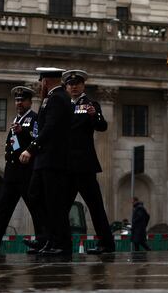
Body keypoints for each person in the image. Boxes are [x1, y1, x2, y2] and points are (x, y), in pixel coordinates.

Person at [0, 85, 46, 255]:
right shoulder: (16, 120)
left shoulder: (34, 118)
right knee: (2, 207)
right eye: (17, 100)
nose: (19, 103)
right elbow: (14, 144)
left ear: (29, 102)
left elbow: (37, 139)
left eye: (22, 100)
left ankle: (42, 240)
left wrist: (22, 132)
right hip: (12, 171)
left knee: (35, 207)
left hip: (26, 171)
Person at [19, 67, 74, 259]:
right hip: (45, 159)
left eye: (41, 81)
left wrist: (31, 148)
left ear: (45, 81)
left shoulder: (58, 98)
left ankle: (62, 243)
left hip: (53, 159)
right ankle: (49, 238)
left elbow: (50, 128)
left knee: (55, 203)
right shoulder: (52, 98)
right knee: (35, 196)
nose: (40, 85)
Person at [63, 70, 116, 255]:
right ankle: (59, 243)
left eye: (77, 84)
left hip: (84, 165)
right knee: (61, 207)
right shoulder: (64, 106)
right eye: (70, 84)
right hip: (66, 165)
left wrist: (94, 115)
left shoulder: (90, 105)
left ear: (83, 85)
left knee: (95, 206)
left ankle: (106, 244)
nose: (74, 87)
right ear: (66, 87)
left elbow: (102, 126)